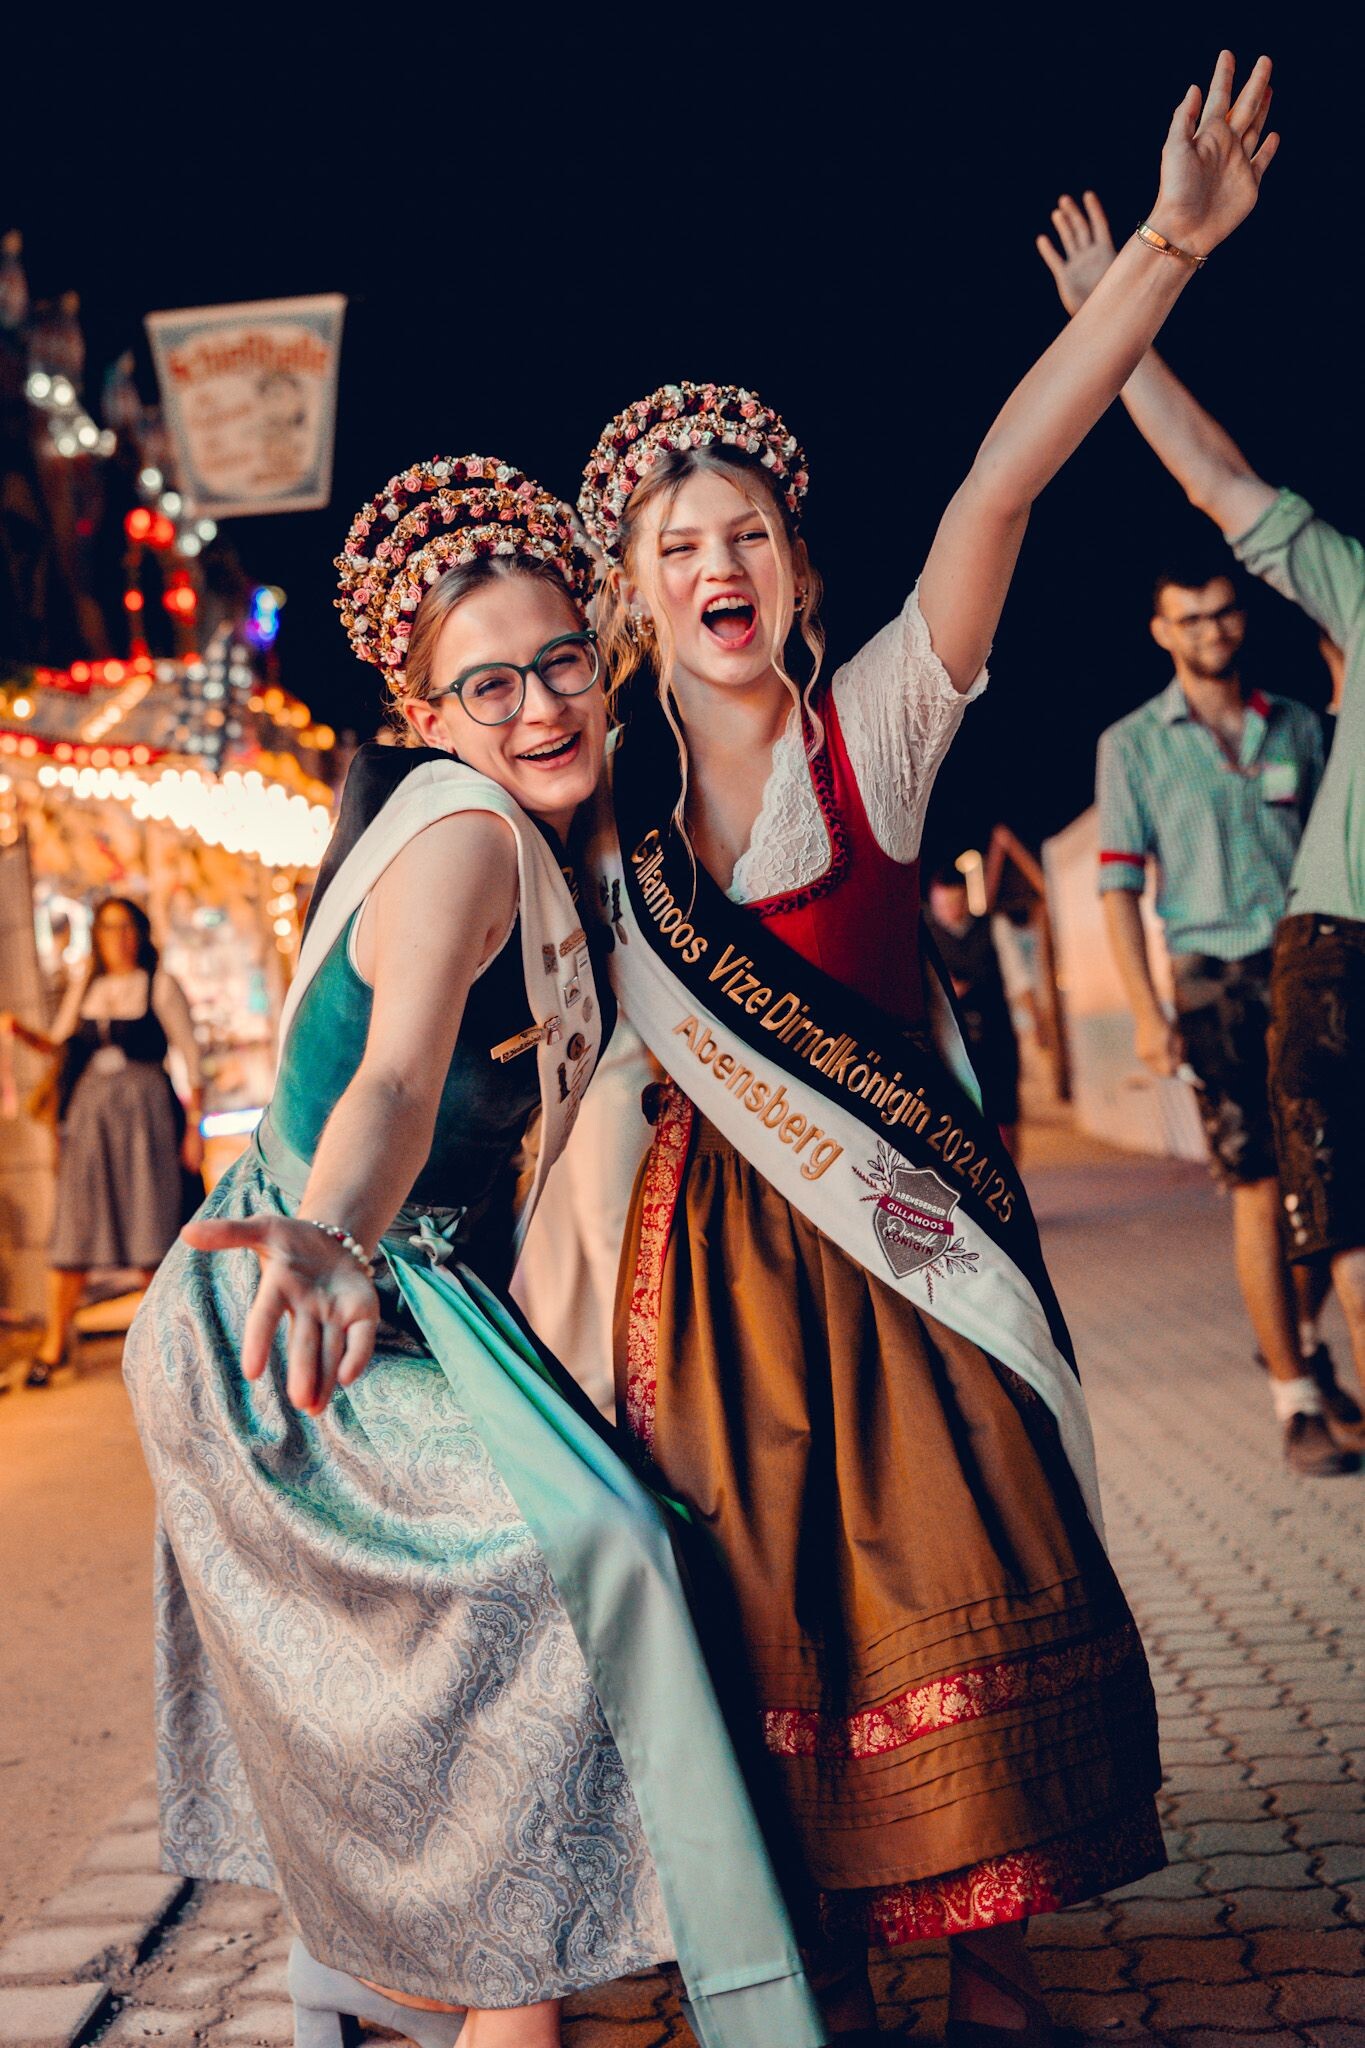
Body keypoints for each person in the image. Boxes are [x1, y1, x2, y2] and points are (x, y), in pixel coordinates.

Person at [576, 48, 1278, 2048]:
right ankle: (791, 1958)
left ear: (796, 568)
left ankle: (991, 1963)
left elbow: (1001, 480)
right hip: (703, 1272)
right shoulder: (596, 801)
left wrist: (1163, 251)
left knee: (970, 1552)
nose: (716, 565)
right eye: (675, 545)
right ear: (633, 592)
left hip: (895, 1235)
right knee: (758, 1603)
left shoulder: (869, 731)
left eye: (746, 533)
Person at [121, 459, 822, 2048]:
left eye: (560, 662)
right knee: (580, 1564)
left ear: (601, 656)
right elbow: (392, 1084)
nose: (539, 706)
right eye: (487, 686)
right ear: (425, 716)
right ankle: (484, 1990)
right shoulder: (462, 843)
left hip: (401, 1302)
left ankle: (406, 1968)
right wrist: (328, 1238)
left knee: (609, 1549)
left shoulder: (568, 832)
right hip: (287, 1315)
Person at [1037, 188, 1365, 1477]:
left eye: (1231, 611)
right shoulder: (1136, 744)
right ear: (1163, 629)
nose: (1219, 628)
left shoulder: (1298, 720)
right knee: (1270, 1191)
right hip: (1242, 972)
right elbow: (1118, 889)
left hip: (1304, 949)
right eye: (1196, 616)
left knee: (1325, 1200)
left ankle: (1311, 1364)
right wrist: (1149, 1009)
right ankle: (1292, 1391)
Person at [2, 896, 203, 1387]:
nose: (119, 938)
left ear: (140, 933)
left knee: (151, 1222)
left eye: (127, 927)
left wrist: (194, 1127)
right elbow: (57, 1043)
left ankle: (165, 1346)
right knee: (75, 1222)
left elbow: (191, 1057)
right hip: (92, 1118)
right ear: (97, 936)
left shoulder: (159, 985)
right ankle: (54, 1344)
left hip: (146, 1118)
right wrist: (20, 1031)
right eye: (110, 928)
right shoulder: (86, 985)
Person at [925, 866, 1023, 1155]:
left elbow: (1019, 980)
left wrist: (1032, 1023)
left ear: (966, 898)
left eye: (953, 903)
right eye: (941, 906)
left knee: (1005, 1114)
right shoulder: (926, 940)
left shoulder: (994, 927)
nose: (947, 911)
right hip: (949, 1043)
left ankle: (1011, 1175)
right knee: (959, 1119)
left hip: (996, 1036)